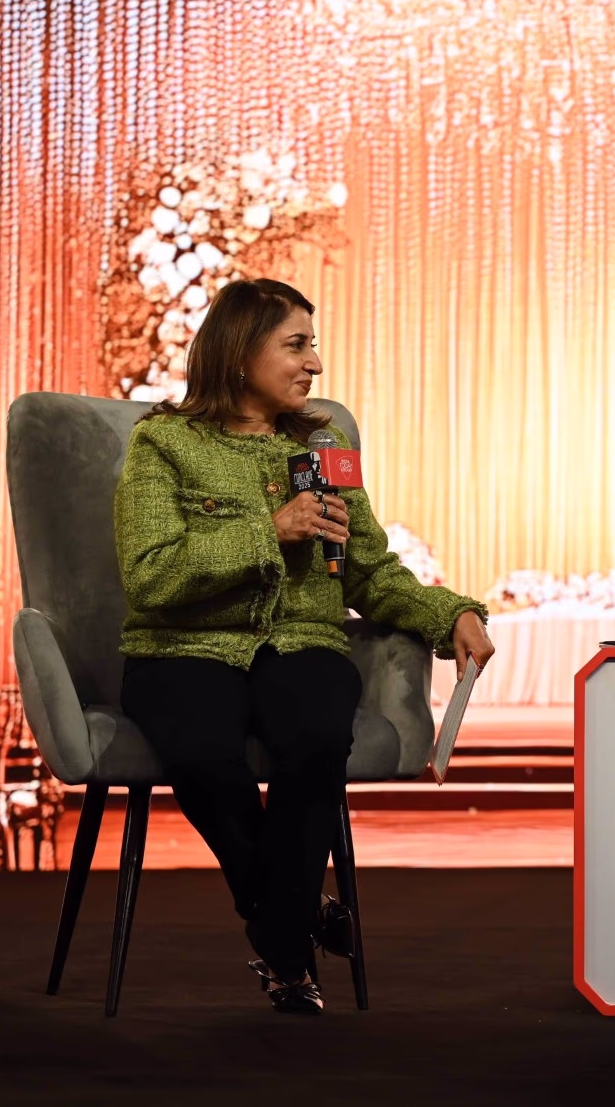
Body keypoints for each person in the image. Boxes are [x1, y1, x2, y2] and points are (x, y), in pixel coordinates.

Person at [114, 277, 495, 1014]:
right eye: (296, 345)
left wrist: (449, 613)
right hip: (182, 647)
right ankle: (294, 935)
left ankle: (279, 933)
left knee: (318, 737)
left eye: (312, 345)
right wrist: (269, 530)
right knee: (202, 753)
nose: (314, 362)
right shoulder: (164, 444)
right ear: (239, 352)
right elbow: (150, 574)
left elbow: (370, 571)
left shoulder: (325, 446)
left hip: (302, 641)